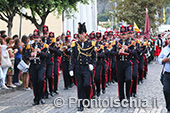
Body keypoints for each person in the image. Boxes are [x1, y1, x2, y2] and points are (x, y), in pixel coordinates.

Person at [69, 22, 96, 111]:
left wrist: (92, 64)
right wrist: (71, 68)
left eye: (82, 33)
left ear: (85, 34)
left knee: (87, 85)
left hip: (87, 68)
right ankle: (80, 104)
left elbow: (94, 56)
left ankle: (87, 99)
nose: (81, 36)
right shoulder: (75, 44)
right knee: (80, 86)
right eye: (79, 34)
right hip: (78, 67)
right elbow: (72, 57)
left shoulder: (90, 44)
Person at [24, 29, 48, 105]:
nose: (36, 39)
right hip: (33, 66)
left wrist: (40, 52)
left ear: (40, 38)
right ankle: (36, 98)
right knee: (34, 82)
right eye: (35, 38)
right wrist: (30, 55)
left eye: (37, 38)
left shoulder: (44, 46)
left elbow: (47, 56)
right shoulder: (29, 46)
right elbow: (25, 56)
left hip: (41, 65)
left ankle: (41, 96)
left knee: (41, 80)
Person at [158, 34, 170, 113]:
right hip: (167, 74)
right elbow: (159, 59)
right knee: (166, 91)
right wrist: (164, 60)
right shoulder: (165, 49)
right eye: (168, 39)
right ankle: (169, 108)